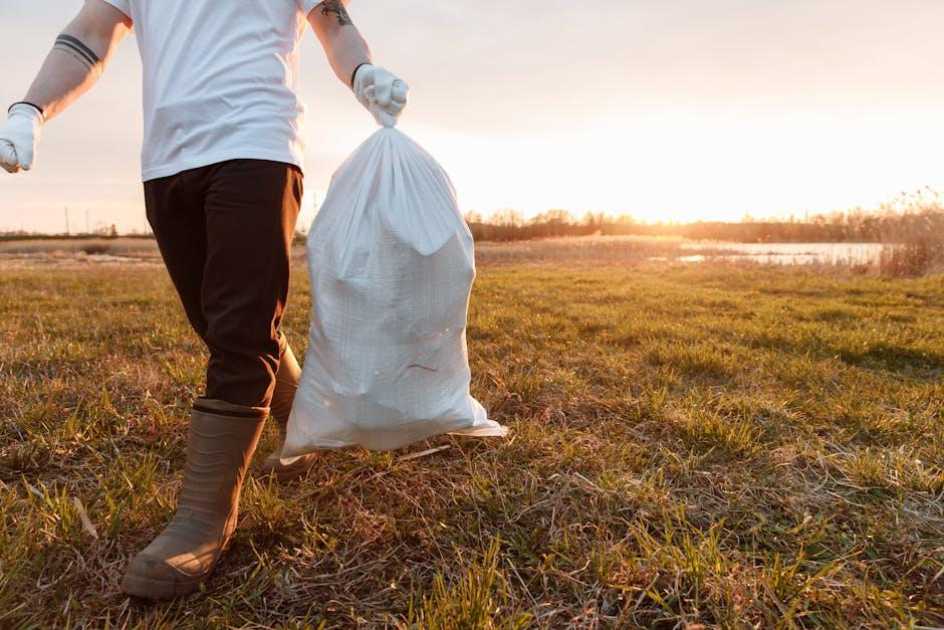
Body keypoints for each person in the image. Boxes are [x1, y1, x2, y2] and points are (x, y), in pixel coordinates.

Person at [0, 0, 407, 600]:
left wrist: (363, 73)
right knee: (222, 321)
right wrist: (29, 109)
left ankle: (203, 520)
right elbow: (89, 32)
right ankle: (308, 419)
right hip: (167, 160)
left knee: (241, 332)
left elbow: (333, 23)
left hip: (257, 144)